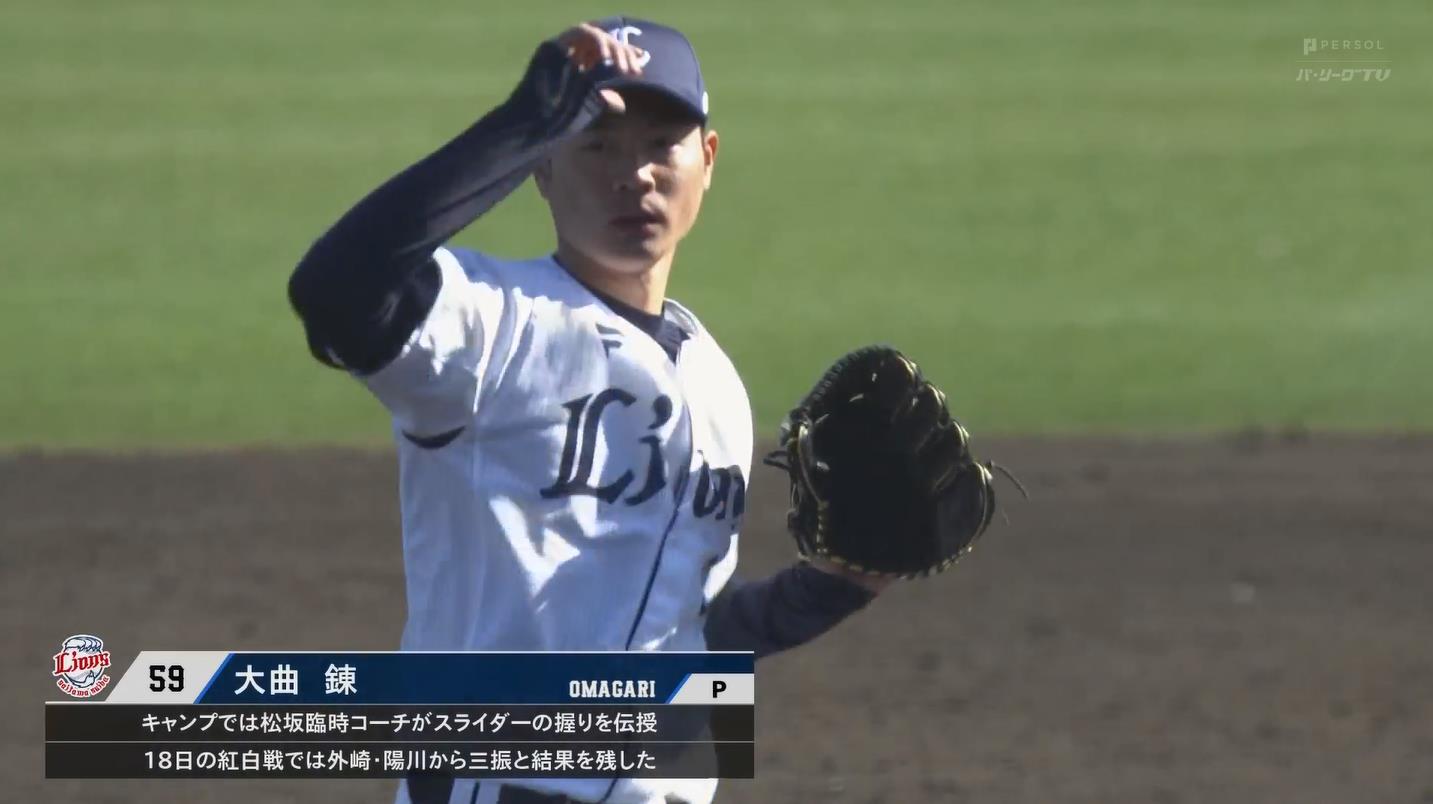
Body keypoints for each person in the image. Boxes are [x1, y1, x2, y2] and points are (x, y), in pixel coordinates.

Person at [288, 17, 887, 804]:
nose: (633, 174)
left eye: (661, 145)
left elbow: (684, 639)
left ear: (707, 160)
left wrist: (831, 589)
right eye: (596, 145)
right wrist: (519, 124)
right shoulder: (489, 324)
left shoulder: (715, 384)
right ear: (542, 167)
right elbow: (334, 289)